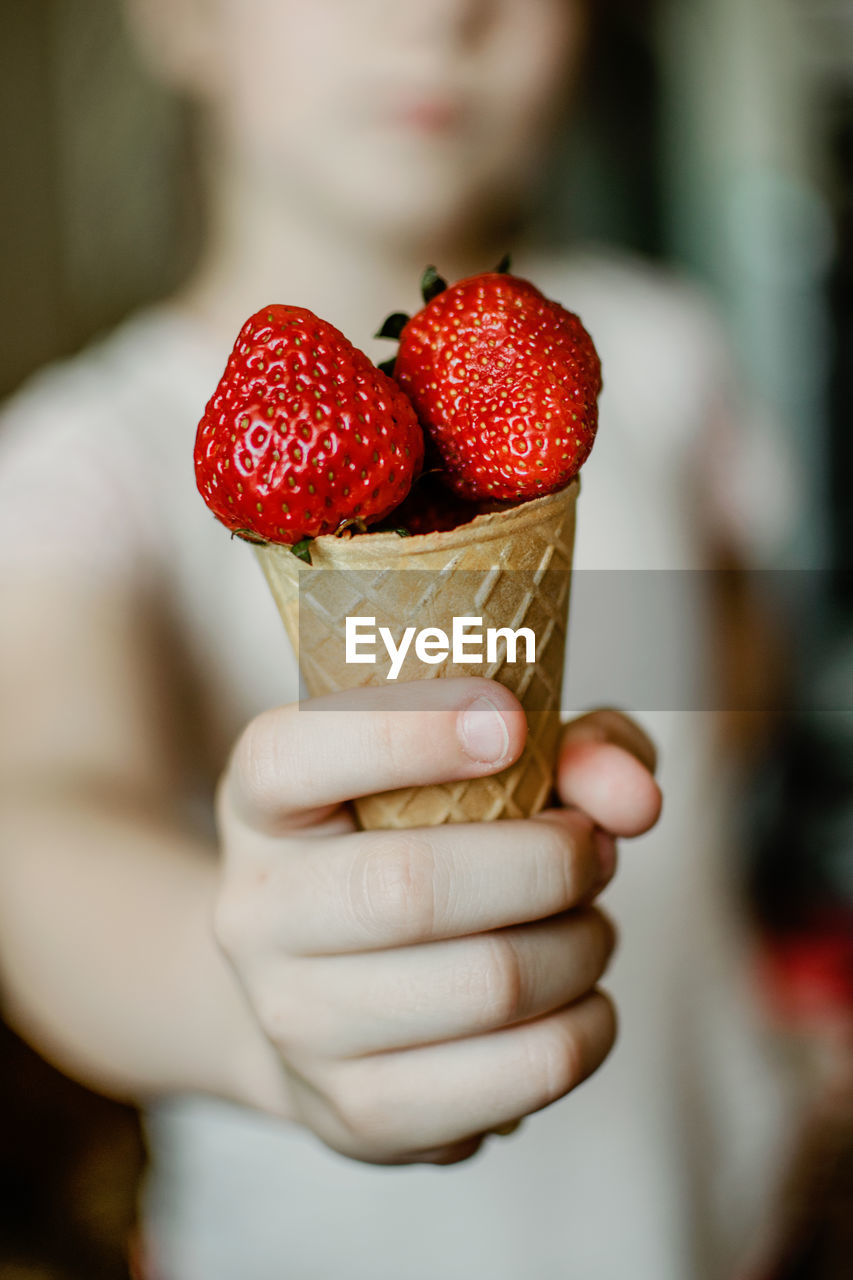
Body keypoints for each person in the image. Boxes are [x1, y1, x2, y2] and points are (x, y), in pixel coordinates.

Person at [0, 1, 798, 1276]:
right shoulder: (84, 460)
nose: (439, 12)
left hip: (730, 1216)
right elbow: (42, 813)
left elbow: (729, 695)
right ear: (176, 18)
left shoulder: (666, 359)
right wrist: (249, 1009)